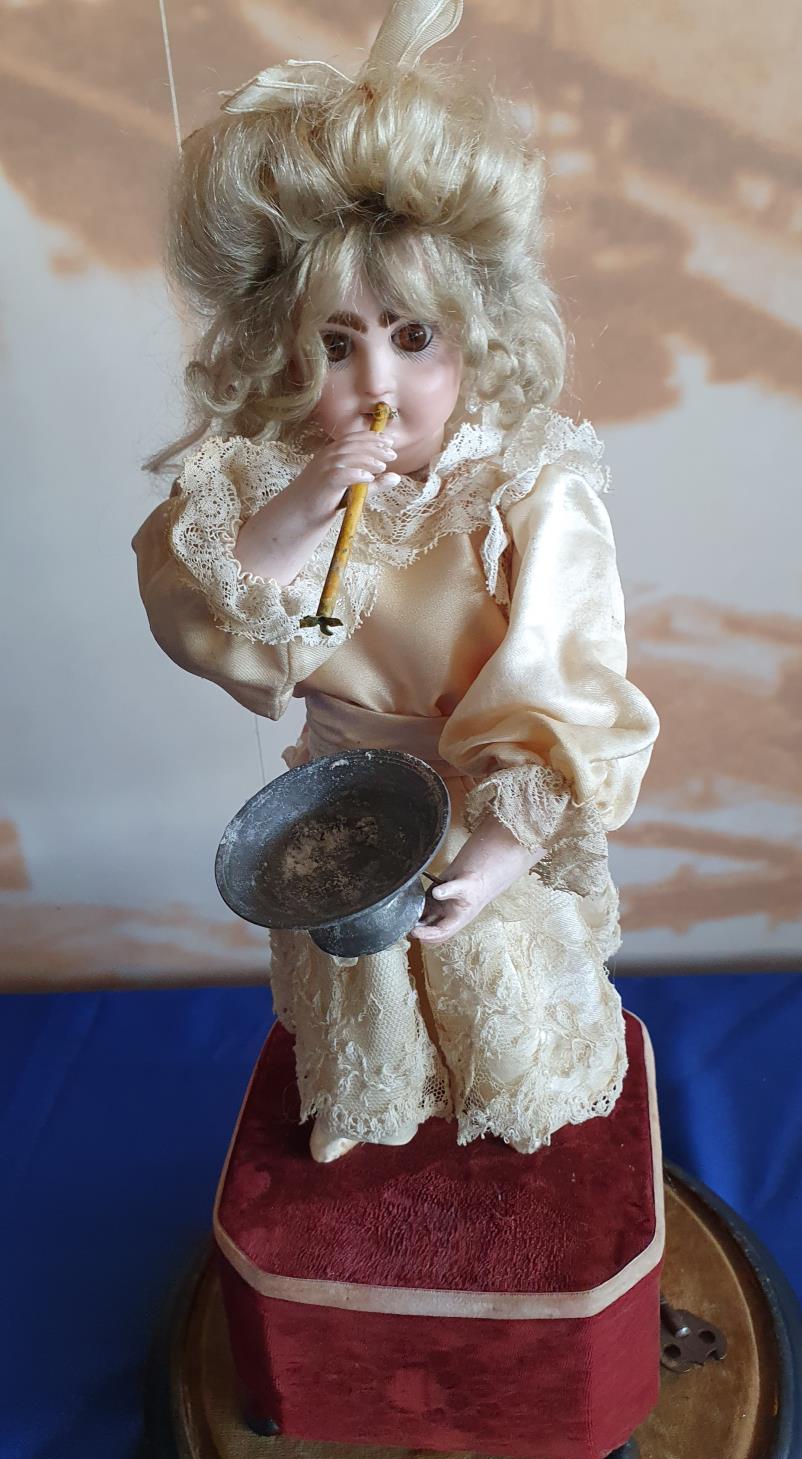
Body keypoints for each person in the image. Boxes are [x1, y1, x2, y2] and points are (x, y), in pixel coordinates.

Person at [133, 0, 659, 1162]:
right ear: (281, 348)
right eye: (335, 343)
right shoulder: (264, 482)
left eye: (414, 337)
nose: (379, 378)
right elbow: (203, 621)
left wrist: (502, 845)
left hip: (475, 790)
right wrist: (292, 516)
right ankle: (374, 1112)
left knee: (489, 969)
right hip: (340, 802)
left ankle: (521, 1110)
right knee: (362, 988)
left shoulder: (526, 487)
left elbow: (573, 677)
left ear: (476, 333)